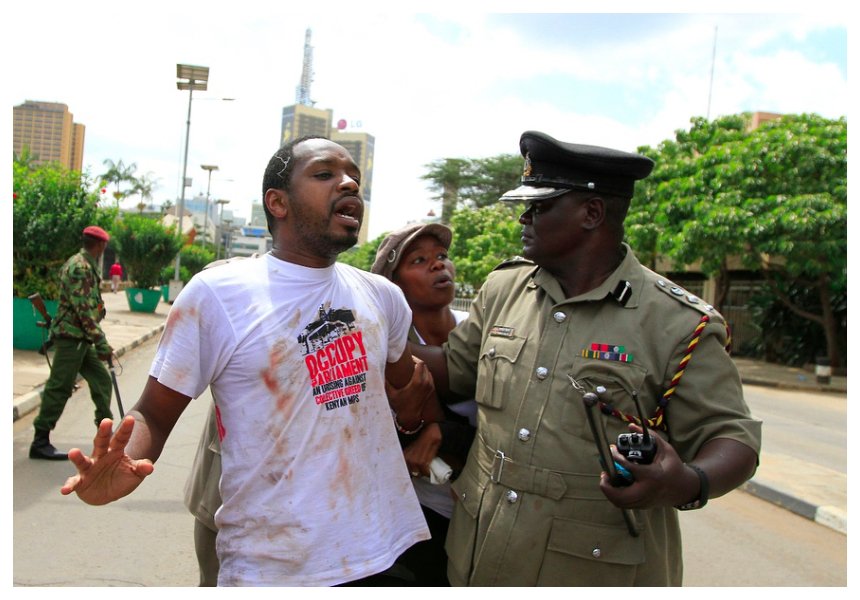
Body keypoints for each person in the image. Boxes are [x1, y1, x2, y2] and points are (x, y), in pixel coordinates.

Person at [61, 136, 440, 587]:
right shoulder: (218, 295)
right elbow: (154, 413)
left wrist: (424, 422)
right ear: (277, 202)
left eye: (354, 178)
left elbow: (409, 387)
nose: (349, 185)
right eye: (325, 174)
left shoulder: (382, 296)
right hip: (273, 565)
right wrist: (125, 460)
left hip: (383, 550)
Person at [413, 130, 762, 586]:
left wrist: (685, 483)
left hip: (591, 567)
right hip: (482, 554)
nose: (524, 218)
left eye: (539, 207)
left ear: (592, 213)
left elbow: (732, 439)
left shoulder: (675, 321)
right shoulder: (505, 290)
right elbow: (453, 370)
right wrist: (367, 333)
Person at [371, 223, 477, 586]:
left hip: (484, 513)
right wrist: (420, 425)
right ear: (393, 287)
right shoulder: (382, 350)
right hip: (422, 514)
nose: (438, 266)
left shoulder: (484, 331)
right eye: (420, 260)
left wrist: (442, 432)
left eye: (442, 256)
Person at [30, 225, 114, 460]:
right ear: (100, 245)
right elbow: (84, 310)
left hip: (81, 338)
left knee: (102, 381)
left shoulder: (84, 264)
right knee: (59, 387)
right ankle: (40, 441)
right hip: (72, 338)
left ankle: (104, 435)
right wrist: (102, 342)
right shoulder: (80, 267)